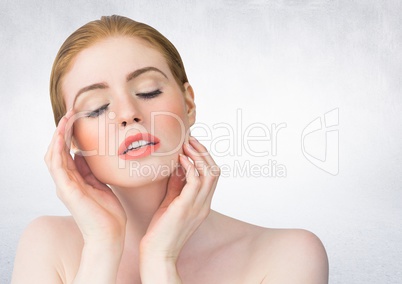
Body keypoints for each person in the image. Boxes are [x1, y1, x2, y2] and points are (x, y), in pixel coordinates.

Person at [12, 15, 328, 283]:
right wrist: (101, 248)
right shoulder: (46, 244)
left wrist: (160, 261)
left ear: (189, 104)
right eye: (96, 108)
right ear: (70, 139)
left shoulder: (289, 255)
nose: (127, 113)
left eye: (148, 91)